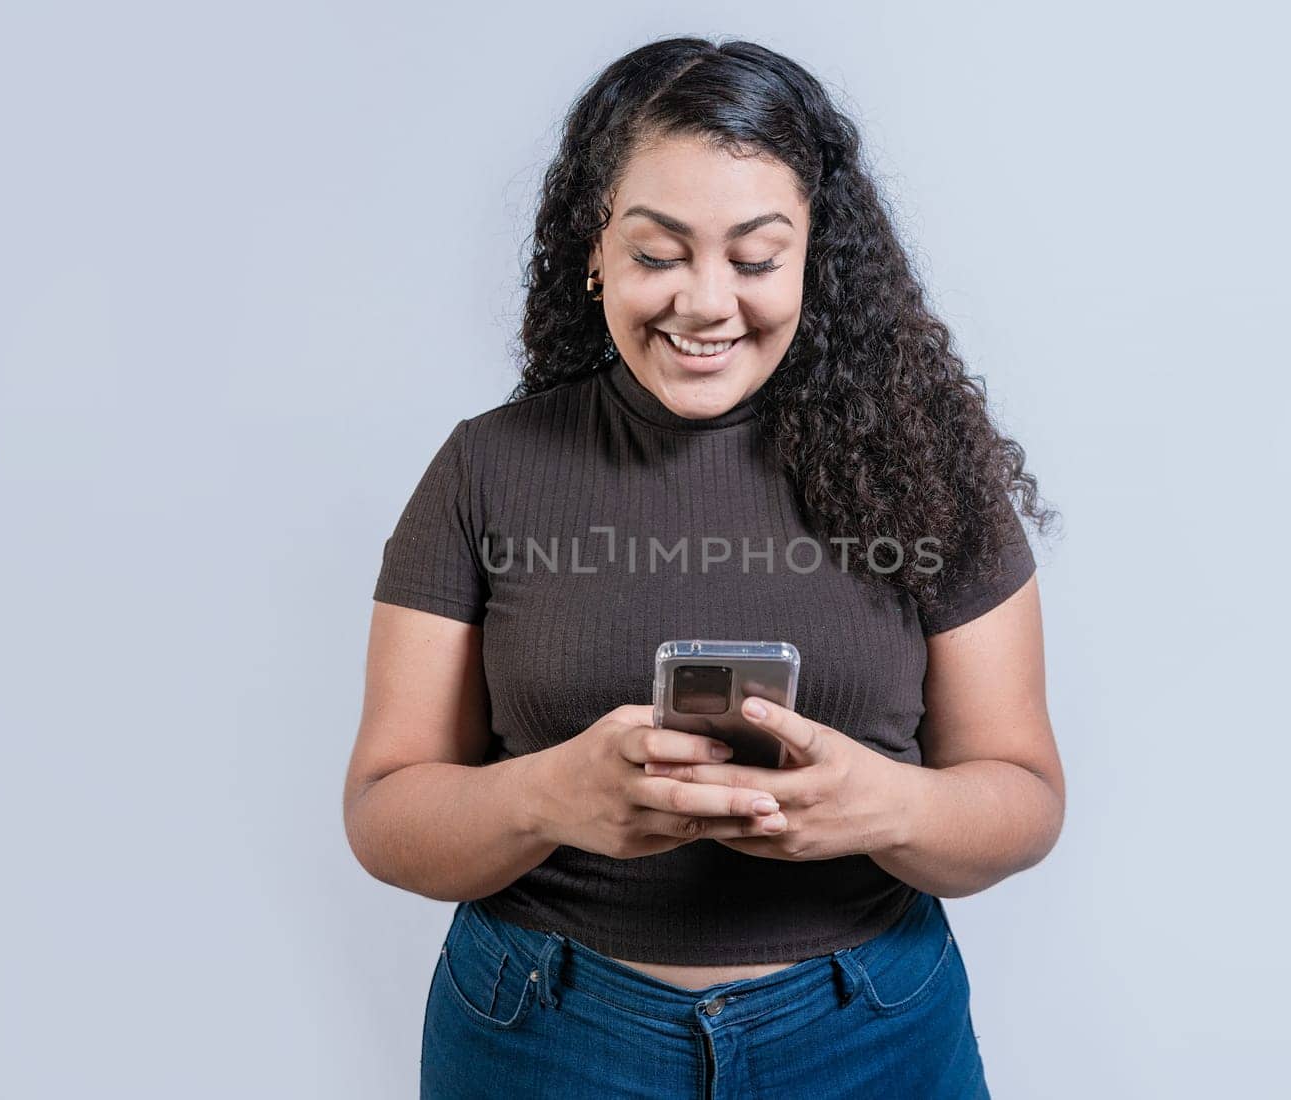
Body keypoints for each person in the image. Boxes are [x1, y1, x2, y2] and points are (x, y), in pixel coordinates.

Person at [344, 35, 1065, 1099]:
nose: (705, 302)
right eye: (658, 253)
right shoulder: (484, 469)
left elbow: (1025, 792)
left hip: (866, 1033)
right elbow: (383, 809)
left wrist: (882, 806)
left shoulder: (928, 466)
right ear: (595, 248)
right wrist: (547, 796)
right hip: (544, 1029)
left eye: (757, 257)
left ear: (815, 256)